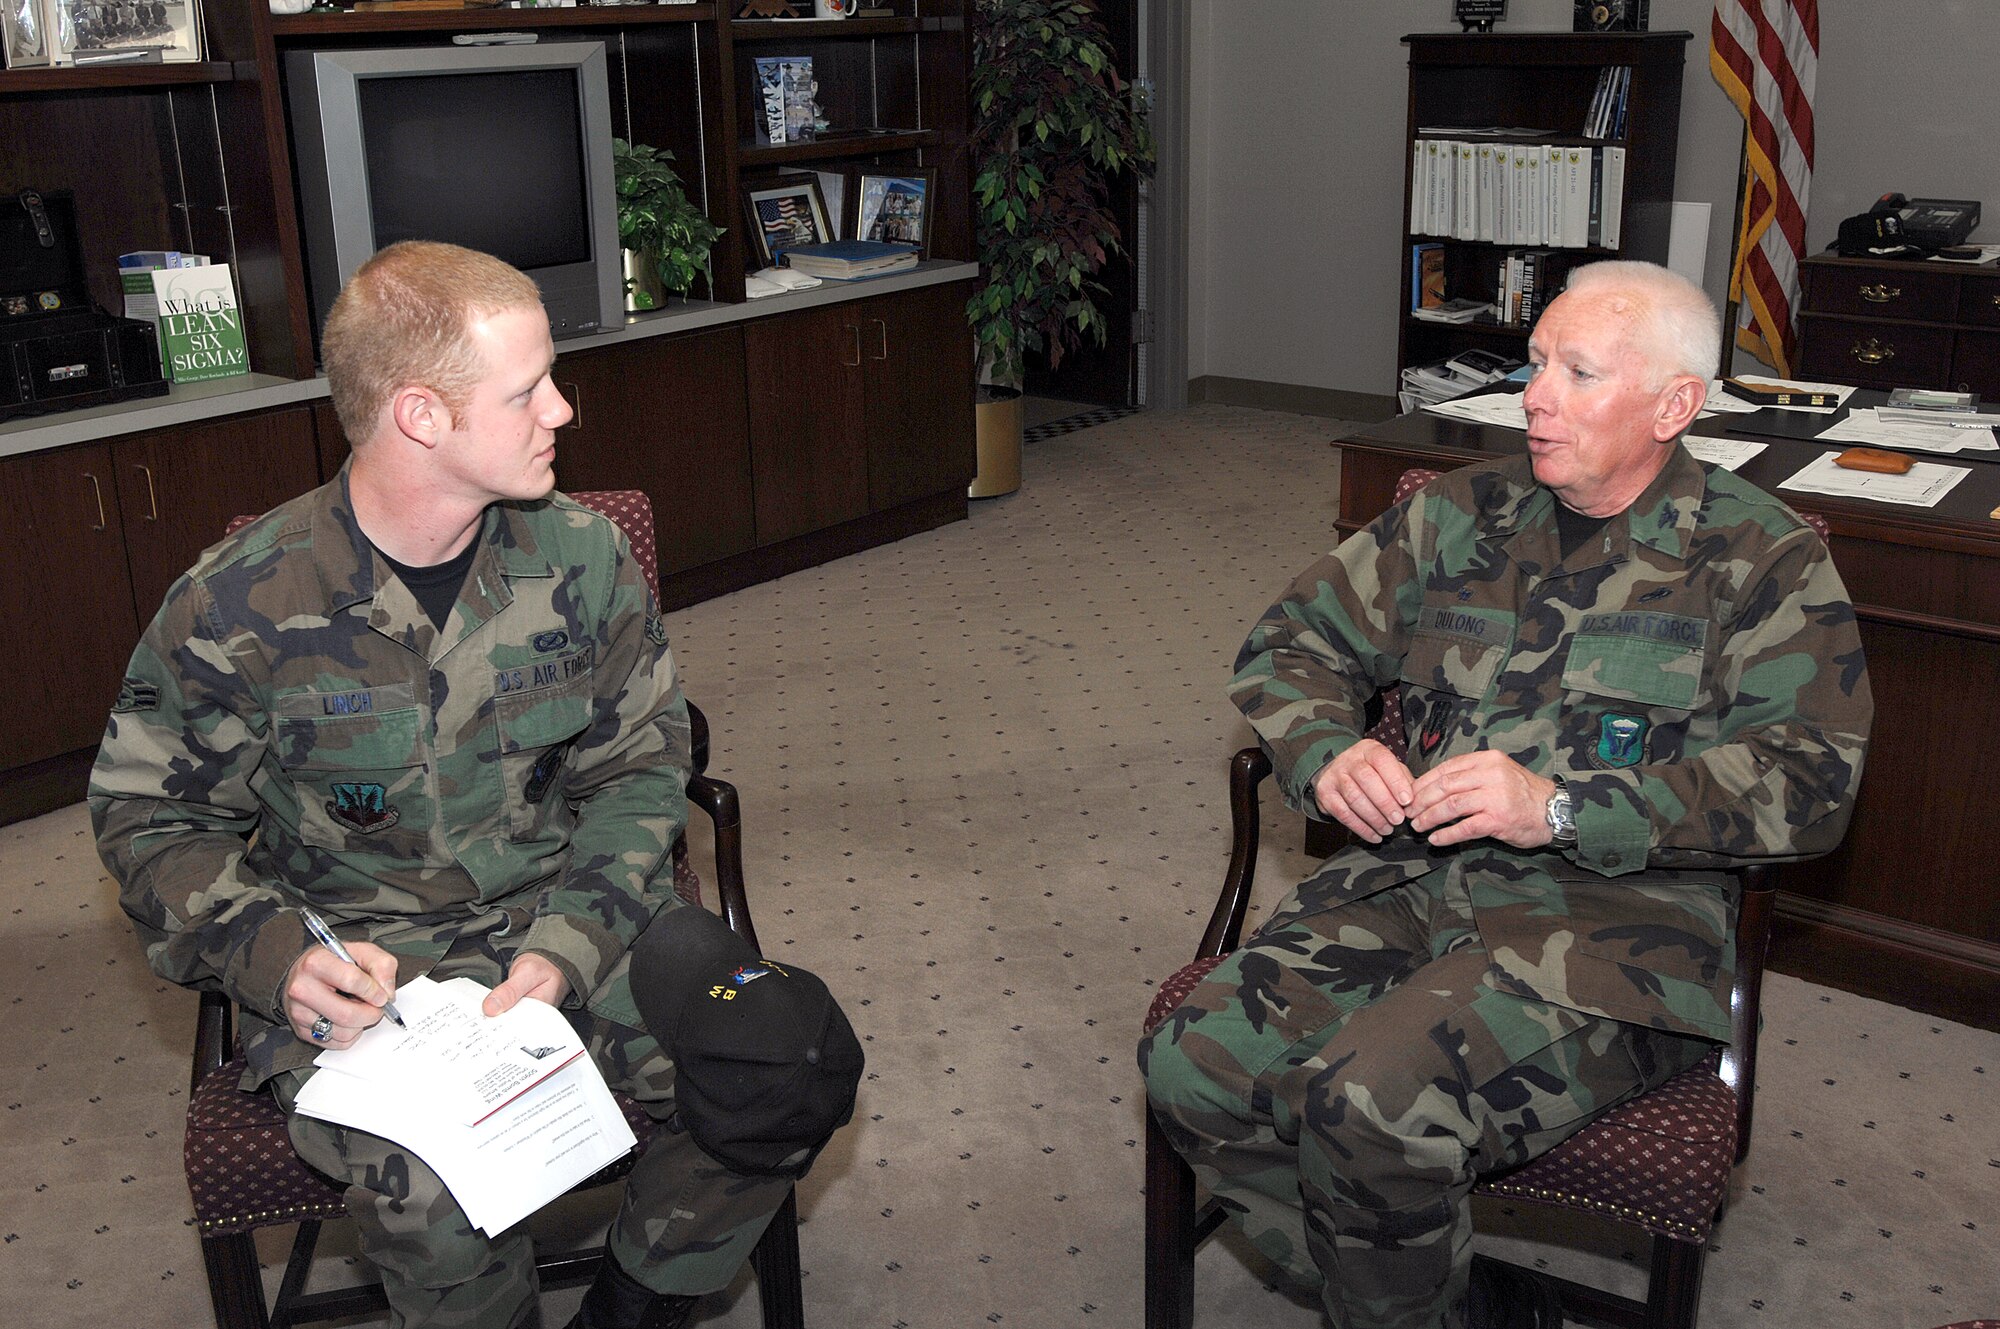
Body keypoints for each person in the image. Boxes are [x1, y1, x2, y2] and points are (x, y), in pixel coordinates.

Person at [91, 241, 849, 1329]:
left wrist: (571, 941)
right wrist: (276, 958)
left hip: (567, 923)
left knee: (790, 1058)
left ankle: (630, 1313)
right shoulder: (237, 604)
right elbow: (149, 819)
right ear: (420, 416)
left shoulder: (580, 557)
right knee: (438, 1194)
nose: (563, 409)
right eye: (526, 387)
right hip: (370, 980)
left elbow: (640, 769)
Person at [1140, 260, 1873, 1329]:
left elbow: (1808, 786)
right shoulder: (1459, 514)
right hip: (1404, 881)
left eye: (1577, 373)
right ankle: (1442, 1298)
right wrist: (1323, 749)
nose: (1532, 396)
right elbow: (1289, 643)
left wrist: (1564, 806)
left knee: (1369, 1103)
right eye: (1535, 365)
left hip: (1613, 935)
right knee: (1191, 1062)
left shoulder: (1757, 560)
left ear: (1673, 404)